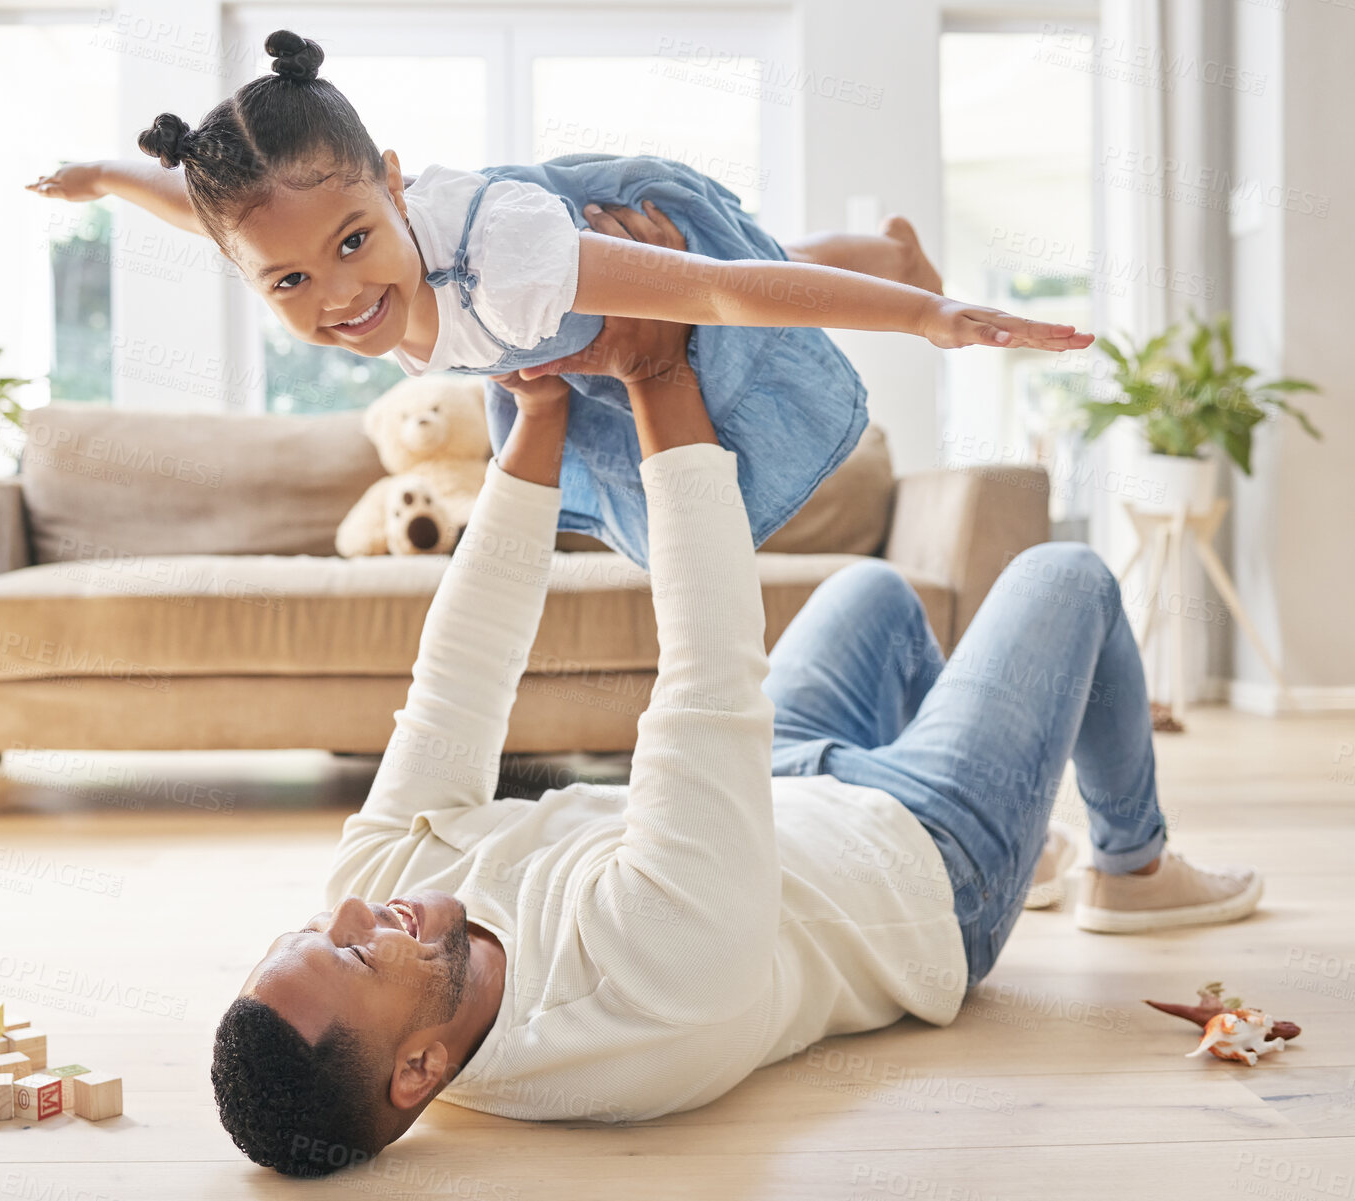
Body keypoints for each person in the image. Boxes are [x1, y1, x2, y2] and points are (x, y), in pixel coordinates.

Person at [202, 202, 1262, 1178]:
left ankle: (1023, 816)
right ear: (417, 1071)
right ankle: (1127, 861)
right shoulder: (642, 998)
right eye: (349, 947)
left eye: (312, 926)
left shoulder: (383, 893)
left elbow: (457, 678)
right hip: (920, 871)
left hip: (776, 794)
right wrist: (657, 367)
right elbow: (707, 669)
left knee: (874, 594)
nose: (345, 903)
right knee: (1061, 578)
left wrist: (536, 406)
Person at [27, 29, 1093, 568]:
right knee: (776, 261)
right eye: (292, 282)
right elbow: (205, 214)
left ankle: (899, 274)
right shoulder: (281, 233)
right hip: (545, 325)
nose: (339, 296)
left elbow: (717, 293)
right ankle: (891, 254)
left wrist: (927, 320)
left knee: (750, 296)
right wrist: (109, 178)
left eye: (354, 242)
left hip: (610, 237)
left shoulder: (516, 260)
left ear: (394, 184)